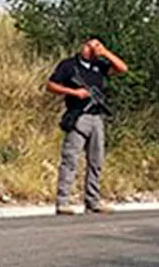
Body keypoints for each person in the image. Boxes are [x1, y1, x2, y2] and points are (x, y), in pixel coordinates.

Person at [46, 35, 128, 215]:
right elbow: (51, 85)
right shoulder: (68, 65)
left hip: (96, 117)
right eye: (89, 45)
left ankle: (93, 200)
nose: (91, 49)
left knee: (96, 161)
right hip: (78, 115)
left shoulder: (99, 65)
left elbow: (122, 68)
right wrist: (74, 92)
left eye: (95, 46)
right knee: (70, 159)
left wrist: (104, 52)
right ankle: (63, 201)